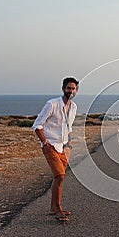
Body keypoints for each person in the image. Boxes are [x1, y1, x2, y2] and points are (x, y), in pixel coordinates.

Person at [32, 77, 79, 222]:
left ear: (76, 90)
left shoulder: (74, 107)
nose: (70, 91)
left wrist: (68, 144)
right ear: (63, 88)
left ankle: (53, 207)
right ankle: (58, 209)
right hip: (50, 145)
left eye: (73, 89)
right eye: (68, 88)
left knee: (59, 177)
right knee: (60, 176)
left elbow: (68, 128)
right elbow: (37, 125)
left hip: (63, 147)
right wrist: (45, 143)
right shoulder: (52, 104)